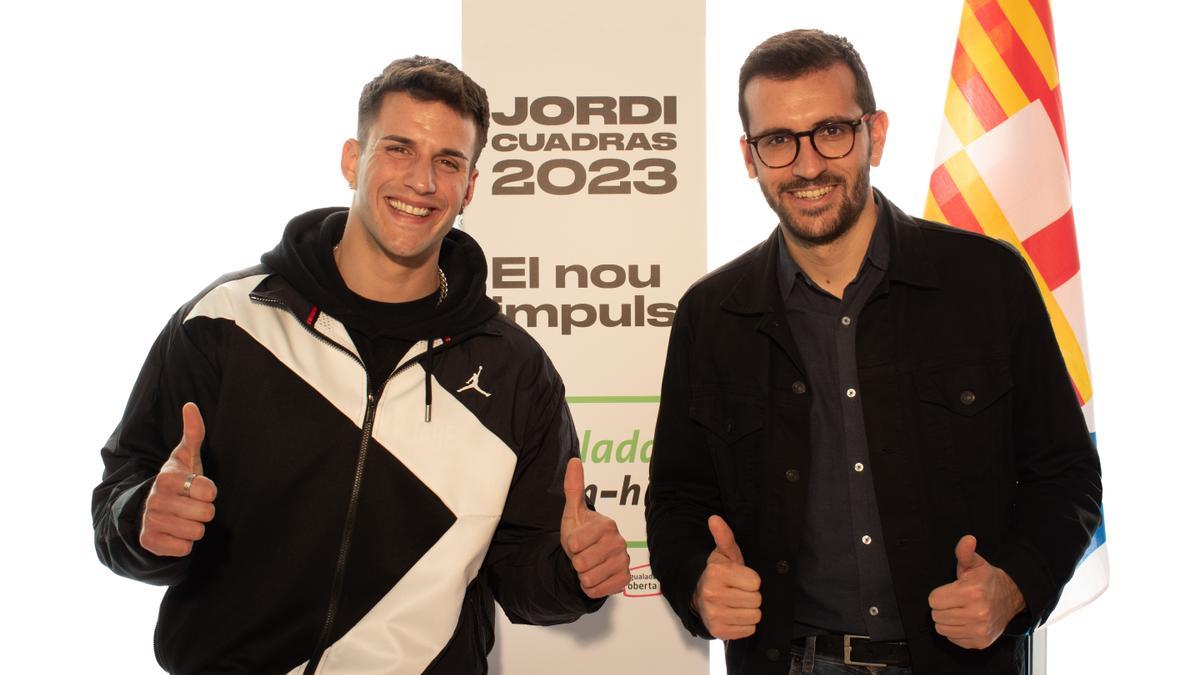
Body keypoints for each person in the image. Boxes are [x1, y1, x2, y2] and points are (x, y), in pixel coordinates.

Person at [92, 56, 631, 675]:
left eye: (448, 161)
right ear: (354, 159)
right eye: (399, 148)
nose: (422, 181)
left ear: (471, 187)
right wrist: (141, 519)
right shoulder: (226, 321)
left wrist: (573, 573)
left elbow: (522, 575)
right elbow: (122, 492)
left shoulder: (515, 369)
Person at [645, 29, 1101, 675]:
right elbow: (677, 499)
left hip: (962, 661)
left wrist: (1016, 584)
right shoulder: (710, 314)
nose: (806, 166)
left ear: (874, 134)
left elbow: (1066, 474)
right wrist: (696, 579)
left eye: (831, 130)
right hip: (788, 659)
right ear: (750, 157)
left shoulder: (986, 280)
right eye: (778, 140)